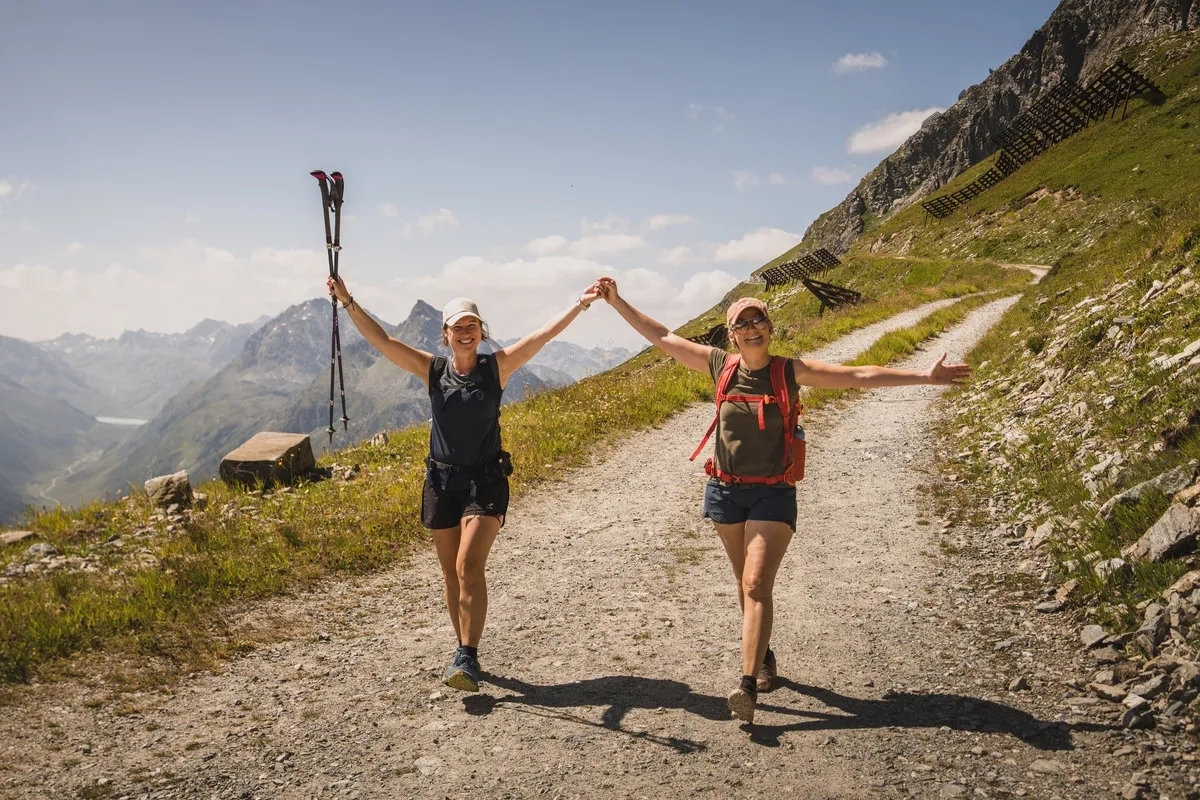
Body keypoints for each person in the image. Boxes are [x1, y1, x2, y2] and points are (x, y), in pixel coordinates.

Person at [595, 277, 969, 723]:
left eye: (759, 320)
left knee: (755, 584)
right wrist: (617, 301)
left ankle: (747, 684)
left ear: (770, 328)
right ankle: (764, 655)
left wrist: (925, 377)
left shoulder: (789, 371)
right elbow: (662, 336)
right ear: (731, 334)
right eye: (742, 323)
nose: (752, 327)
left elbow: (859, 376)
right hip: (725, 491)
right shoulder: (719, 365)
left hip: (773, 492)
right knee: (744, 583)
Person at [328, 274, 603, 692]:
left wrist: (580, 304)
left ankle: (467, 656)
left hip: (485, 482)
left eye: (471, 325)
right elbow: (383, 341)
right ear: (446, 333)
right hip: (441, 482)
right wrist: (347, 300)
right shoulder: (432, 370)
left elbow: (542, 336)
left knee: (467, 565)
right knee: (450, 574)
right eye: (458, 326)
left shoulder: (497, 367)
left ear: (481, 330)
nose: (465, 332)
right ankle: (463, 649)